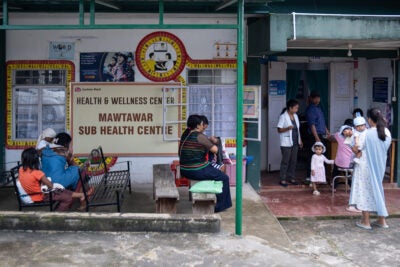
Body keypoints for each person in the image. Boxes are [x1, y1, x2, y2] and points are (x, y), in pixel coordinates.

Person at [179, 114, 232, 212]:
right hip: (196, 170)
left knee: (214, 170)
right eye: (202, 124)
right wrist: (215, 141)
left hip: (184, 169)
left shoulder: (185, 133)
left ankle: (219, 201)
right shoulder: (200, 136)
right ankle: (220, 206)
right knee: (224, 178)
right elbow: (216, 150)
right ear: (198, 125)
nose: (203, 127)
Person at [349, 108, 391, 230]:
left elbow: (357, 149)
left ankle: (365, 221)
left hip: (365, 167)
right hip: (380, 166)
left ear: (369, 119)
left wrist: (353, 143)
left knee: (364, 192)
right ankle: (381, 220)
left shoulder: (366, 134)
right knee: (377, 190)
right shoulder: (386, 132)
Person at [18, 147, 85, 211]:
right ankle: (58, 213)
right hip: (41, 196)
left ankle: (81, 195)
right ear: (36, 160)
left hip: (33, 193)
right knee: (67, 197)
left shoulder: (21, 170)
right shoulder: (37, 173)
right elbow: (51, 186)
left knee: (62, 191)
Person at [277, 99, 303, 187]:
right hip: (286, 143)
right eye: (295, 108)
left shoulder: (295, 116)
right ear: (290, 108)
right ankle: (282, 179)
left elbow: (298, 130)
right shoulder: (283, 117)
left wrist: (300, 140)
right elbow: (279, 129)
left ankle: (291, 177)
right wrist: (287, 128)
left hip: (295, 141)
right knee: (285, 161)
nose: (297, 110)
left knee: (293, 161)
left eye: (297, 108)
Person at [305, 91, 330, 178]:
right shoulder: (311, 109)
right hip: (314, 136)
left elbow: (322, 121)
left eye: (318, 98)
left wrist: (326, 131)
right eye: (315, 98)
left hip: (321, 134)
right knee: (313, 156)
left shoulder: (318, 108)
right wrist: (316, 138)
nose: (317, 100)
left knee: (321, 155)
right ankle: (310, 176)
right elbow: (312, 125)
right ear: (311, 98)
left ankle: (319, 176)